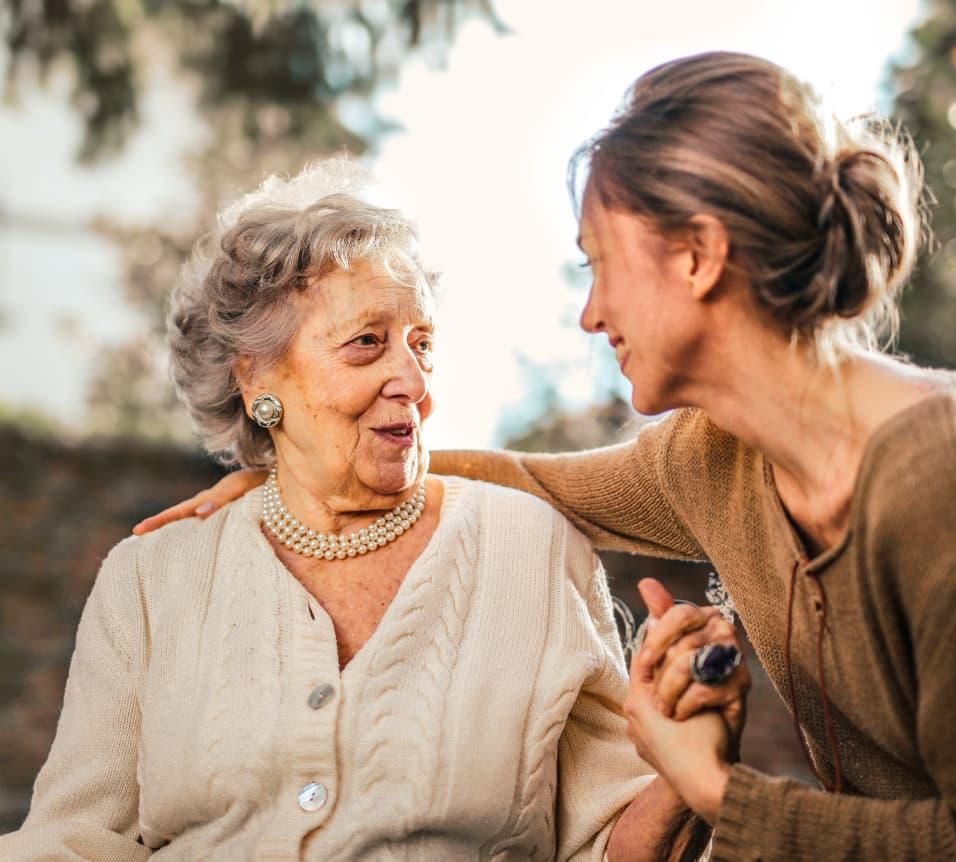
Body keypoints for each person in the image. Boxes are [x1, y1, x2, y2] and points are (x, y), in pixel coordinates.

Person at [150, 52, 956, 859]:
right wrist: (301, 462)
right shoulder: (716, 456)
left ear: (698, 258)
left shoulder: (951, 499)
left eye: (599, 261)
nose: (591, 313)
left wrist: (721, 796)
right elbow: (532, 482)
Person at [0, 160, 715, 861]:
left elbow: (608, 843)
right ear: (256, 379)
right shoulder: (150, 580)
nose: (412, 381)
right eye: (367, 342)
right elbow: (73, 840)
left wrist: (686, 777)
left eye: (423, 345)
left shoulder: (534, 549)